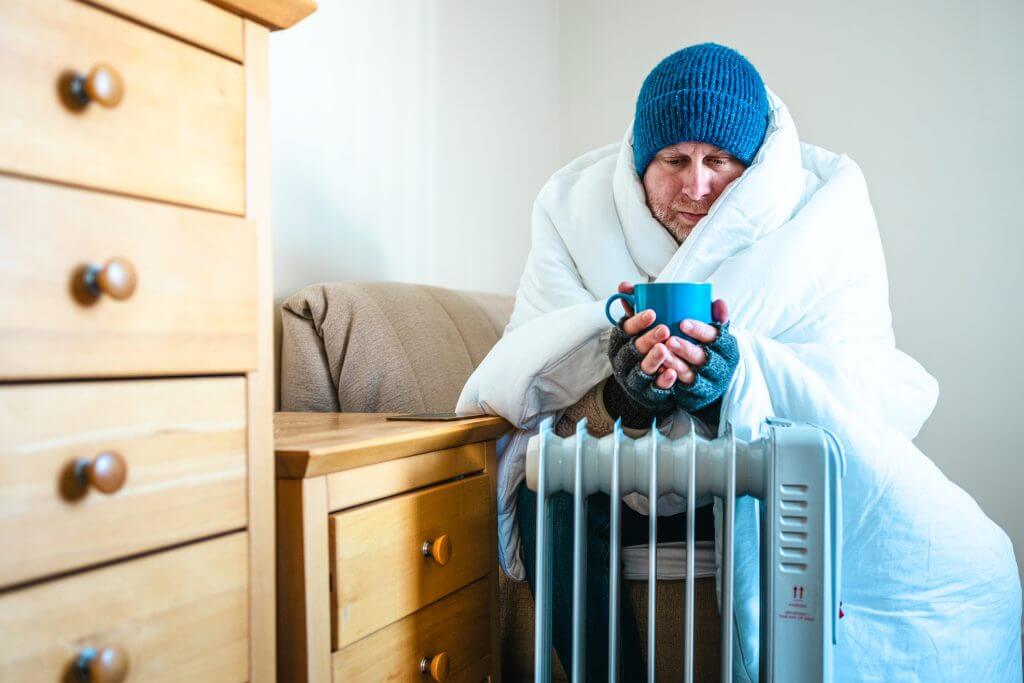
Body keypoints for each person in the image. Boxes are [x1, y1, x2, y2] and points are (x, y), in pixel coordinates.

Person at [458, 41, 1022, 682]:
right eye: (674, 161)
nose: (696, 187)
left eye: (718, 161)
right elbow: (534, 382)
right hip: (619, 470)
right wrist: (626, 396)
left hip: (756, 463)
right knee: (546, 486)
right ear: (638, 166)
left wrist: (729, 387)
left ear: (752, 169)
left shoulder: (818, 216)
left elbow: (846, 382)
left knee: (973, 555)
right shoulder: (572, 215)